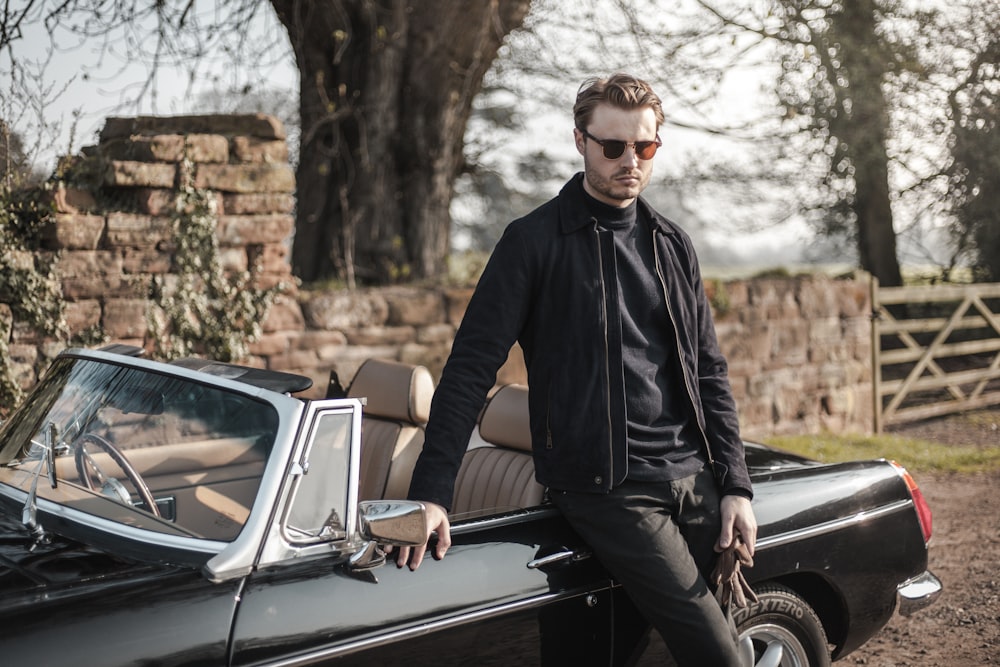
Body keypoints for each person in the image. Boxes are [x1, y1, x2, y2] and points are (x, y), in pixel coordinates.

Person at [396, 73, 757, 666]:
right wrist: (432, 493)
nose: (629, 161)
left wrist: (735, 484)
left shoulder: (672, 244)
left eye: (644, 147)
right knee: (720, 653)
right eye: (612, 146)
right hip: (608, 487)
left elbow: (708, 371)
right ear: (580, 141)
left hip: (694, 478)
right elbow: (467, 370)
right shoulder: (532, 242)